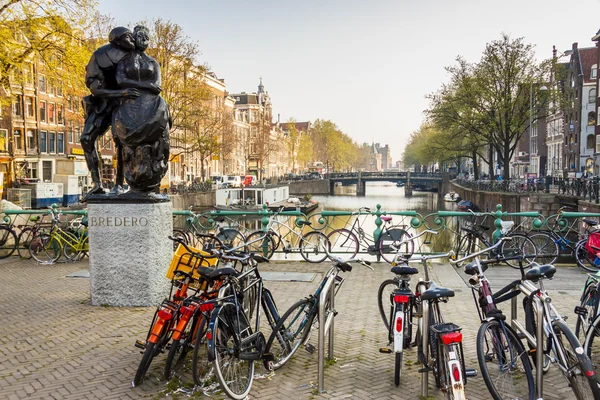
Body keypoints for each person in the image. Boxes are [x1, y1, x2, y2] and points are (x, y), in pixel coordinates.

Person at [81, 27, 138, 200]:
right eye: (128, 37)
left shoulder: (136, 56)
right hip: (105, 103)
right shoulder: (100, 56)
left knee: (120, 140)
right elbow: (95, 88)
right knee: (86, 138)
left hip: (127, 105)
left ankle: (119, 184)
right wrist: (122, 93)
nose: (132, 40)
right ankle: (97, 184)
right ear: (117, 40)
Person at [113, 25, 170, 193]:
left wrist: (136, 86)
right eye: (141, 38)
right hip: (130, 104)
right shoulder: (125, 61)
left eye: (147, 39)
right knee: (123, 138)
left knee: (163, 122)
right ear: (134, 39)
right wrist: (144, 86)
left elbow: (157, 86)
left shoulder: (153, 62)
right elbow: (120, 80)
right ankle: (129, 179)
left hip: (150, 104)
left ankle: (152, 173)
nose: (144, 42)